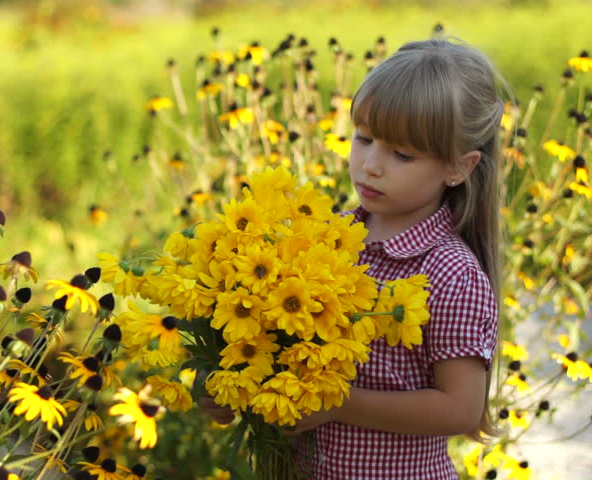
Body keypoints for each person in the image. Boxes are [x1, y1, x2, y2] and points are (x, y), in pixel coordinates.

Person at [201, 37, 503, 479]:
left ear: (459, 167)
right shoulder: (318, 238)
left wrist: (335, 402)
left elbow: (459, 409)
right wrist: (230, 385)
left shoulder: (451, 273)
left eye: (402, 154)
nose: (370, 165)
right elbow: (269, 342)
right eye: (363, 139)